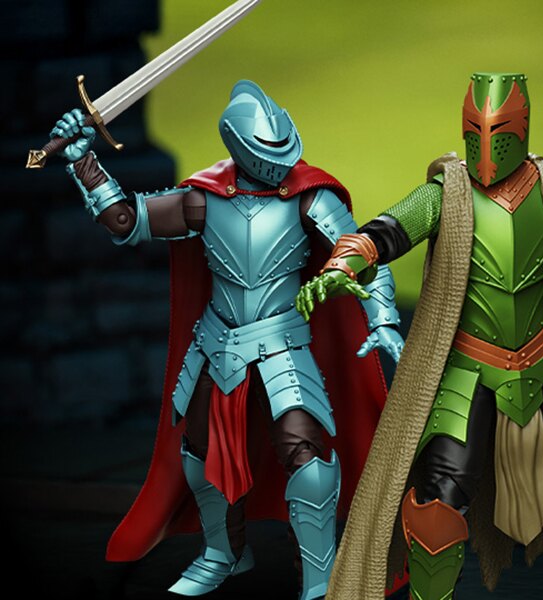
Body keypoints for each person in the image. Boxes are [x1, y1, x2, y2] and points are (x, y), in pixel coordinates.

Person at [297, 72, 543, 600]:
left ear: (521, 128)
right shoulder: (446, 196)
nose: (486, 145)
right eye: (476, 130)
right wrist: (342, 265)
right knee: (437, 503)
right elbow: (384, 233)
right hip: (468, 369)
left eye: (498, 130)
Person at [51, 79, 404, 599]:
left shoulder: (310, 198)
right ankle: (224, 552)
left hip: (283, 344)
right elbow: (126, 221)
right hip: (216, 346)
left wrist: (383, 318)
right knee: (201, 452)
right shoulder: (205, 198)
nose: (279, 163)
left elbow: (362, 256)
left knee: (306, 457)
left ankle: (320, 578)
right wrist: (83, 161)